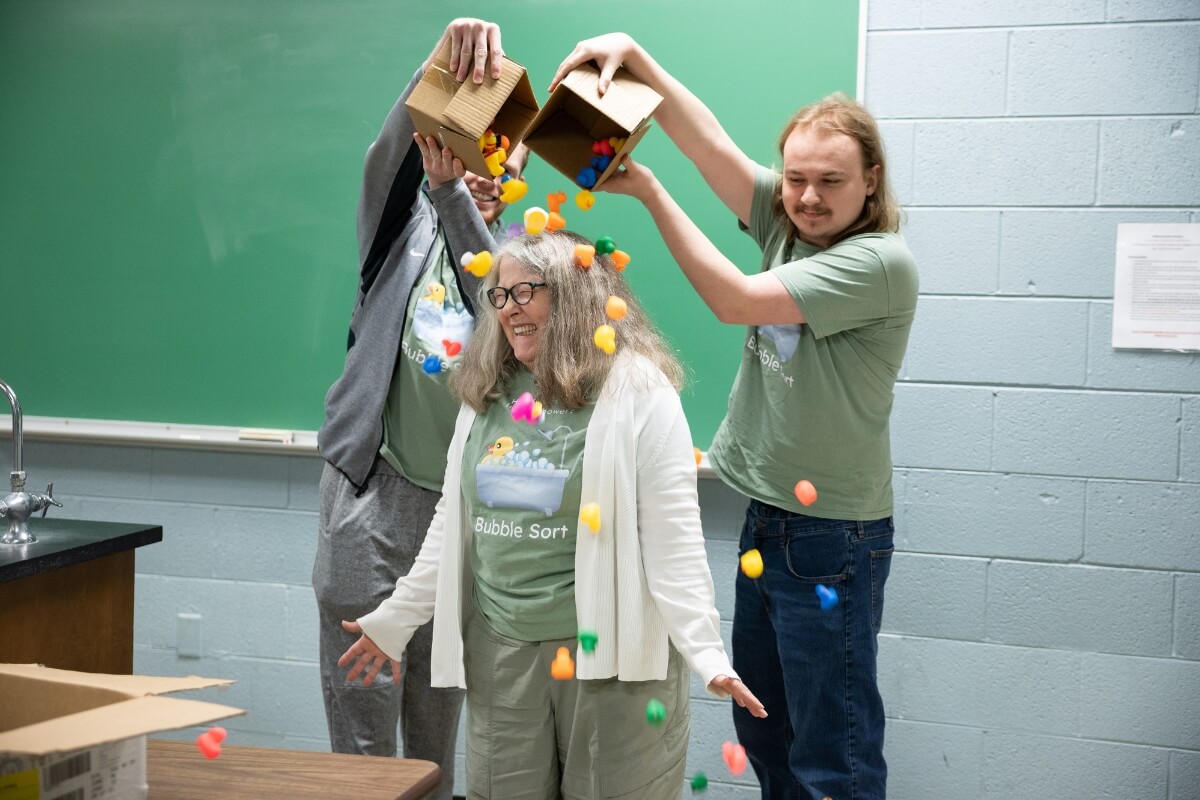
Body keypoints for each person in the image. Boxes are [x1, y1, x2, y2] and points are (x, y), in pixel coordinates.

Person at [551, 36, 919, 800]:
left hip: (832, 539)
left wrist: (648, 192)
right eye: (795, 179)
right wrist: (638, 59)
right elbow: (706, 140)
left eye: (831, 182)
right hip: (770, 522)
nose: (808, 197)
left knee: (834, 755)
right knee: (766, 733)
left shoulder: (879, 262)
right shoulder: (787, 221)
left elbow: (731, 300)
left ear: (871, 181)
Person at [338, 230, 767, 799]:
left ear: (572, 294)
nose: (508, 309)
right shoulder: (487, 390)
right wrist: (395, 619)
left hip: (608, 658)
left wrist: (707, 653)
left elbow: (674, 538)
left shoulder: (637, 388)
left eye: (526, 292)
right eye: (500, 295)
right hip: (502, 651)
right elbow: (455, 524)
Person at [312, 18, 528, 800]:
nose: (477, 163)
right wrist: (441, 61)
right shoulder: (395, 237)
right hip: (368, 502)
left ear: (518, 168)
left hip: (456, 522)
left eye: (499, 151)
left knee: (434, 742)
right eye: (465, 141)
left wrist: (456, 199)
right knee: (364, 743)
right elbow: (385, 155)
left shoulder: (529, 270)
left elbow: (493, 300)